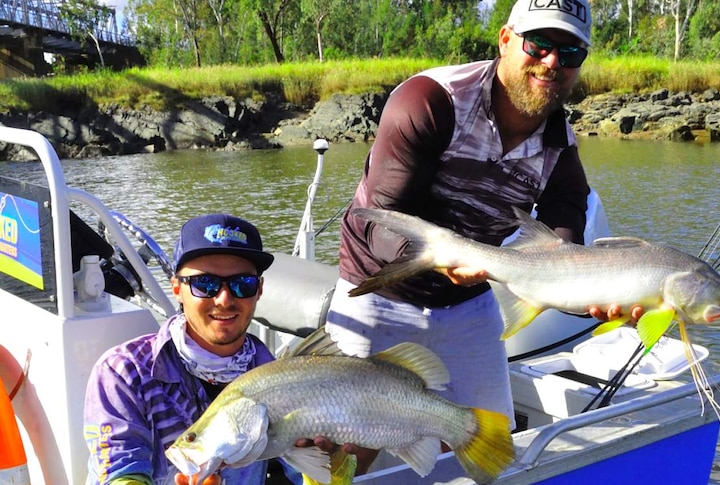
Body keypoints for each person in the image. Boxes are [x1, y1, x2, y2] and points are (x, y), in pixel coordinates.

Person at [323, 0, 641, 474]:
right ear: (506, 40)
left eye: (570, 51)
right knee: (351, 444)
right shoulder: (431, 101)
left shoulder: (561, 154)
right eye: (540, 44)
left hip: (467, 302)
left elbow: (565, 256)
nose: (553, 62)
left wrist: (599, 299)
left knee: (489, 447)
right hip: (379, 285)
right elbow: (379, 218)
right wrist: (440, 259)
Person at [83, 213, 294, 485]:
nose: (224, 299)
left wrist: (336, 461)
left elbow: (308, 472)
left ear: (259, 290)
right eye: (204, 284)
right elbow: (121, 473)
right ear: (177, 289)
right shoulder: (123, 372)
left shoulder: (278, 375)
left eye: (244, 284)